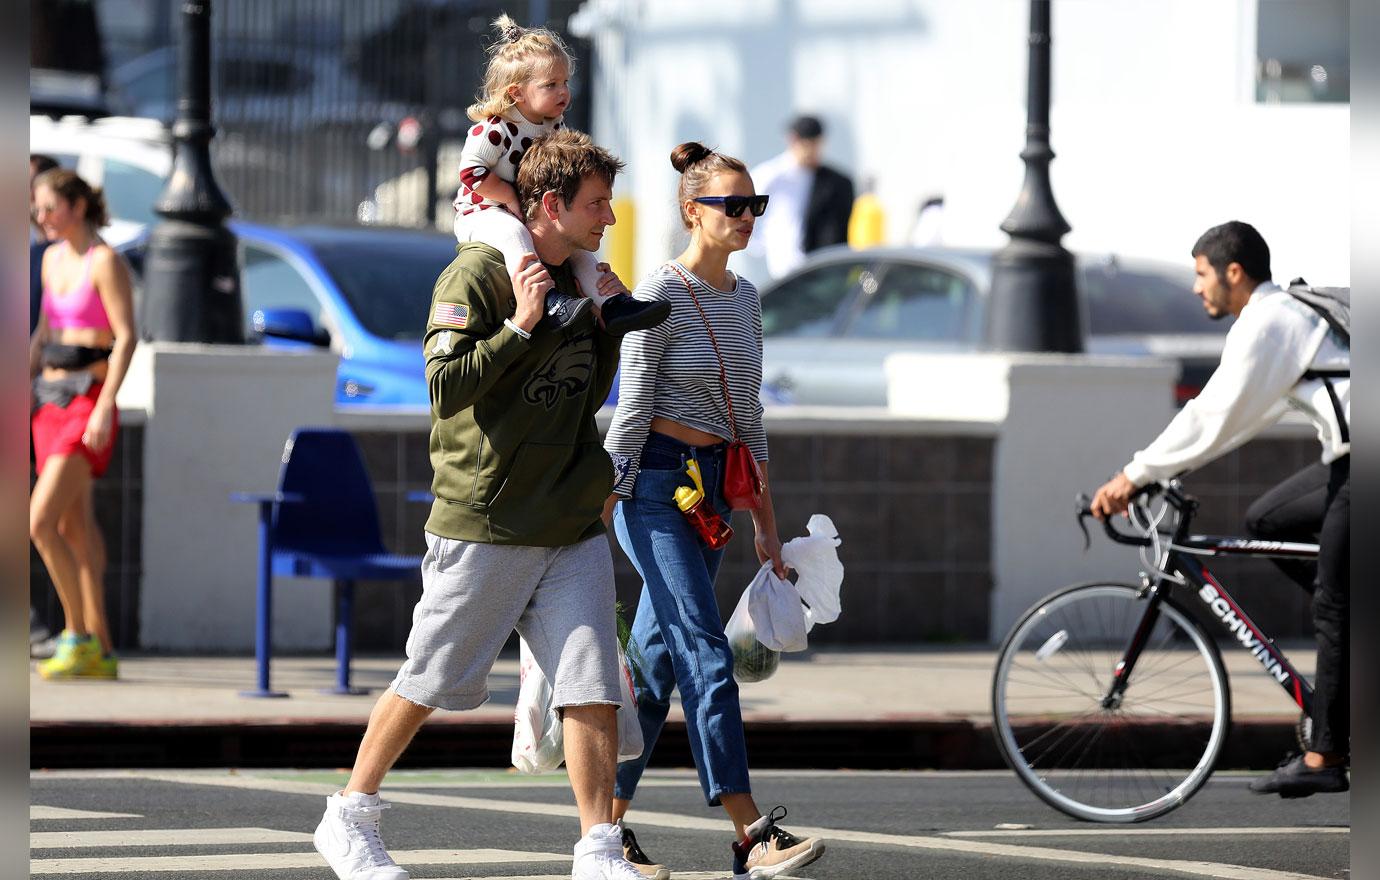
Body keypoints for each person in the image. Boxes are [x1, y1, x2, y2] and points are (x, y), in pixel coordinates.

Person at [312, 129, 647, 880]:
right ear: (551, 206)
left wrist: (607, 330)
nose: (610, 220)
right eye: (597, 205)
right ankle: (349, 815)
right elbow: (445, 389)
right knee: (430, 676)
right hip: (488, 520)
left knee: (592, 683)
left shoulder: (585, 281)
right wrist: (522, 324)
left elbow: (579, 400)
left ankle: (598, 849)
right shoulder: (476, 276)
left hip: (567, 520)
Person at [602, 142, 825, 880]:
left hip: (712, 494)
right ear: (691, 210)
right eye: (732, 204)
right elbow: (629, 413)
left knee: (659, 664)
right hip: (652, 489)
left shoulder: (747, 300)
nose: (747, 217)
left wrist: (766, 520)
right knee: (705, 653)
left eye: (754, 205)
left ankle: (605, 833)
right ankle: (750, 834)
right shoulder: (656, 296)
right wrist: (604, 503)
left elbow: (749, 417)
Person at [1090, 220, 1349, 798]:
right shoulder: (1275, 317)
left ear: (1235, 273)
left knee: (1334, 607)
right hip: (1349, 457)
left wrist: (1135, 476)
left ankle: (1324, 755)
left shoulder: (1271, 320)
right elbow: (1234, 419)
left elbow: (1216, 415)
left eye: (1201, 273)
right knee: (1269, 522)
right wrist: (1160, 470)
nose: (1195, 287)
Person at [454, 14, 667, 336]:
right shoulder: (495, 128)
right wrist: (511, 199)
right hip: (482, 212)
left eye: (565, 82)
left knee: (581, 251)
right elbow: (472, 172)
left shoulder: (555, 127)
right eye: (550, 85)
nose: (563, 91)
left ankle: (612, 306)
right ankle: (548, 298)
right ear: (517, 93)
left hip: (527, 213)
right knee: (514, 234)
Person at [29, 169, 136, 680]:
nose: (41, 217)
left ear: (76, 206)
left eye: (48, 207)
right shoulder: (51, 259)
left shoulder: (105, 261)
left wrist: (104, 405)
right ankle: (105, 649)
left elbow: (126, 338)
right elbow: (44, 331)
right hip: (47, 402)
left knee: (39, 521)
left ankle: (78, 637)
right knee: (74, 526)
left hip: (85, 403)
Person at [749, 114, 854, 279]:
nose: (812, 152)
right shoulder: (770, 175)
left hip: (817, 269)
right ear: (793, 140)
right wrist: (762, 244)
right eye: (807, 145)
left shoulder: (832, 182)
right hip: (781, 268)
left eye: (816, 145)